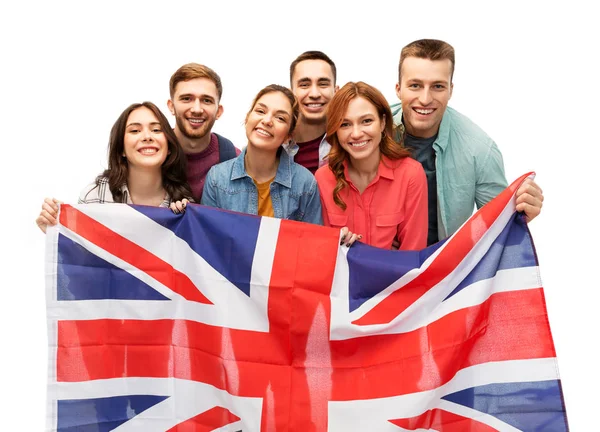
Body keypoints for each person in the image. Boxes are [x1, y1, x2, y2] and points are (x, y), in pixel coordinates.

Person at [392, 39, 543, 245]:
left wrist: (522, 212)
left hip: (445, 268)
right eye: (415, 85)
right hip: (377, 260)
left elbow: (501, 228)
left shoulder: (480, 149)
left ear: (450, 90)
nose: (425, 98)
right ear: (398, 89)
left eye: (437, 86)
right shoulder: (370, 129)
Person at [36, 102, 193, 233]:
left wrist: (188, 222)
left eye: (156, 130)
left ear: (170, 146)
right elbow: (82, 261)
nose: (147, 136)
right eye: (135, 130)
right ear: (121, 149)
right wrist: (56, 230)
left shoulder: (185, 205)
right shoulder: (95, 196)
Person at [315, 82, 428, 250]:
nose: (356, 133)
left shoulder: (411, 175)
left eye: (366, 121)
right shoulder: (323, 178)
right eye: (345, 124)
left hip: (394, 277)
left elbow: (412, 257)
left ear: (382, 123)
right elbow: (321, 252)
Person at [195, 84, 322, 224]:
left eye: (280, 118)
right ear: (248, 117)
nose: (267, 121)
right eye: (261, 111)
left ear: (288, 136)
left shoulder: (305, 184)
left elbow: (312, 243)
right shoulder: (217, 178)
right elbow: (207, 239)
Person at [167, 63, 240, 201]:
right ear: (171, 106)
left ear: (218, 111)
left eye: (206, 100)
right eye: (186, 98)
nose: (196, 109)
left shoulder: (235, 161)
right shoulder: (151, 154)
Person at [284, 51, 338, 174]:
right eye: (304, 85)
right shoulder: (271, 144)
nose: (314, 94)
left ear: (336, 91)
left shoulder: (352, 142)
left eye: (323, 84)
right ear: (290, 93)